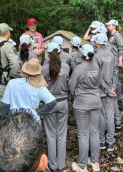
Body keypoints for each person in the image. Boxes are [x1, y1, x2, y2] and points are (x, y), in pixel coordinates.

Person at [69, 44, 102, 172]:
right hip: (95, 101)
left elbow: (71, 88)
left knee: (83, 134)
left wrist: (77, 93)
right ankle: (95, 163)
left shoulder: (78, 69)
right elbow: (98, 83)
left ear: (82, 54)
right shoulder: (97, 66)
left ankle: (82, 166)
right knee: (94, 131)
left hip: (82, 103)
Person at [42, 42, 70, 172]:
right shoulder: (66, 67)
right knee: (61, 133)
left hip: (49, 103)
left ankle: (52, 165)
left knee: (50, 134)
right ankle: (61, 165)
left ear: (48, 54)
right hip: (63, 102)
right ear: (59, 52)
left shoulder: (44, 68)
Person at [94, 33, 116, 152]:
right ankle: (111, 143)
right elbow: (115, 73)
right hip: (111, 90)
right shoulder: (112, 55)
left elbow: (97, 77)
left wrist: (107, 90)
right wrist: (112, 88)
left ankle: (102, 142)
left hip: (101, 91)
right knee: (110, 116)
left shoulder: (96, 56)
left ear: (97, 43)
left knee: (101, 117)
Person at [106, 19, 123, 129]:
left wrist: (120, 60)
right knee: (114, 79)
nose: (108, 26)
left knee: (115, 79)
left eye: (109, 25)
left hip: (115, 61)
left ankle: (119, 98)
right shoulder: (111, 36)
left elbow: (121, 48)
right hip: (110, 60)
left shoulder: (117, 35)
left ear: (114, 25)